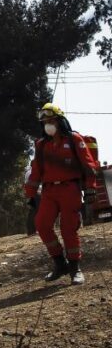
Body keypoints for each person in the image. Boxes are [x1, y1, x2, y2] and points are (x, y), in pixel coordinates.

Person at [24, 103, 100, 285]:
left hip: (70, 189)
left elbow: (89, 165)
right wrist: (30, 194)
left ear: (59, 121)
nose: (47, 125)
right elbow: (36, 172)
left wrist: (90, 188)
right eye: (44, 122)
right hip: (49, 191)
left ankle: (75, 269)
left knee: (68, 229)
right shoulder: (41, 145)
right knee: (41, 225)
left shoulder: (74, 139)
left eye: (50, 120)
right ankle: (60, 264)